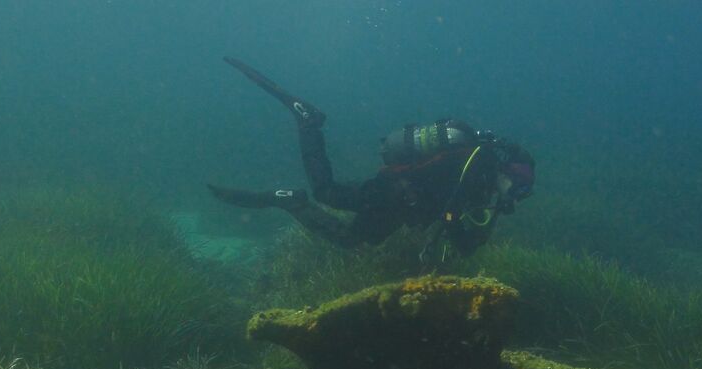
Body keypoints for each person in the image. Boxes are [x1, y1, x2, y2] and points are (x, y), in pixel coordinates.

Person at [208, 57, 535, 262]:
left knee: (356, 237)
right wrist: (461, 231)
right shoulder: (479, 164)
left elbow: (460, 231)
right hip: (393, 193)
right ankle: (308, 123)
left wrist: (489, 217)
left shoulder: (483, 175)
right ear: (512, 173)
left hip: (400, 201)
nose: (518, 198)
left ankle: (292, 199)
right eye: (521, 189)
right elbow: (451, 214)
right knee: (327, 195)